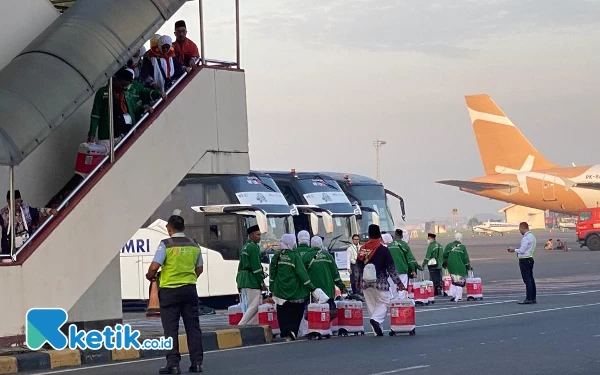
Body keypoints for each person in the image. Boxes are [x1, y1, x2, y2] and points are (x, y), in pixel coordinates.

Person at [145, 215, 204, 374]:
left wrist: (150, 276)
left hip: (170, 292)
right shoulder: (194, 244)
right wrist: (188, 279)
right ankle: (197, 363)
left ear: (169, 228)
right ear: (183, 227)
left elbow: (153, 267)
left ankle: (173, 364)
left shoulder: (166, 244)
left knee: (171, 329)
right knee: (193, 327)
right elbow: (199, 269)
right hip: (190, 290)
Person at [269, 234, 326, 341]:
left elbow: (272, 272)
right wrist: (311, 287)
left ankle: (285, 331)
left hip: (280, 290)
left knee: (282, 310)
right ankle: (292, 330)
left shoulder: (277, 256)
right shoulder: (294, 256)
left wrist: (272, 286)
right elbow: (302, 273)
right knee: (296, 310)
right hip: (294, 290)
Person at [355, 224, 405, 336]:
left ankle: (377, 331)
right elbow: (391, 268)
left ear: (368, 235)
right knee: (386, 301)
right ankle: (376, 321)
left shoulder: (362, 249)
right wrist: (398, 282)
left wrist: (357, 281)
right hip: (380, 282)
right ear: (379, 235)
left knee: (372, 306)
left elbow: (357, 267)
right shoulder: (383, 250)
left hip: (365, 283)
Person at [88, 67, 149, 149]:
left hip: (124, 134)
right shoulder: (102, 93)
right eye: (123, 85)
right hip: (107, 136)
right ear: (116, 80)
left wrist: (144, 108)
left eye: (126, 86)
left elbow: (133, 109)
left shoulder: (126, 94)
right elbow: (95, 115)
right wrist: (92, 133)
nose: (124, 88)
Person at [0, 190, 57, 255]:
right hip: (9, 247)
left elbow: (38, 211)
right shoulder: (3, 214)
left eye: (18, 201)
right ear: (8, 202)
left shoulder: (27, 210)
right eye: (13, 202)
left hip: (26, 244)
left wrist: (50, 211)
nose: (16, 204)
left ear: (21, 201)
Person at [236, 225, 267, 325]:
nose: (259, 237)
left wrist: (238, 281)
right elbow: (256, 267)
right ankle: (241, 326)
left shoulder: (245, 247)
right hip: (251, 279)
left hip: (243, 279)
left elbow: (240, 266)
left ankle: (253, 328)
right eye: (257, 235)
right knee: (254, 306)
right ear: (251, 235)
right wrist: (261, 282)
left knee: (250, 306)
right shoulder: (253, 247)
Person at [508, 222, 537, 304]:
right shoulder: (532, 237)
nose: (519, 231)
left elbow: (522, 250)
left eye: (520, 229)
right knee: (531, 279)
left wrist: (514, 250)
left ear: (523, 228)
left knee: (527, 280)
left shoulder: (526, 238)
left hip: (524, 259)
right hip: (530, 258)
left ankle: (528, 298)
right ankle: (533, 297)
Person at [388, 229, 419, 300]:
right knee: (402, 290)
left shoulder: (389, 246)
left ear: (395, 235)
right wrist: (413, 270)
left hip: (392, 271)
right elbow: (410, 259)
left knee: (393, 290)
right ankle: (401, 305)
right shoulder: (405, 245)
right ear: (402, 236)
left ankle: (395, 304)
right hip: (402, 270)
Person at [442, 233, 471, 302]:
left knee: (454, 281)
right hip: (460, 267)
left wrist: (446, 263)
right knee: (460, 282)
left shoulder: (449, 246)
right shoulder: (462, 247)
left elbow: (444, 255)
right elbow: (465, 259)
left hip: (451, 267)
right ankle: (458, 297)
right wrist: (468, 266)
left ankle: (453, 295)